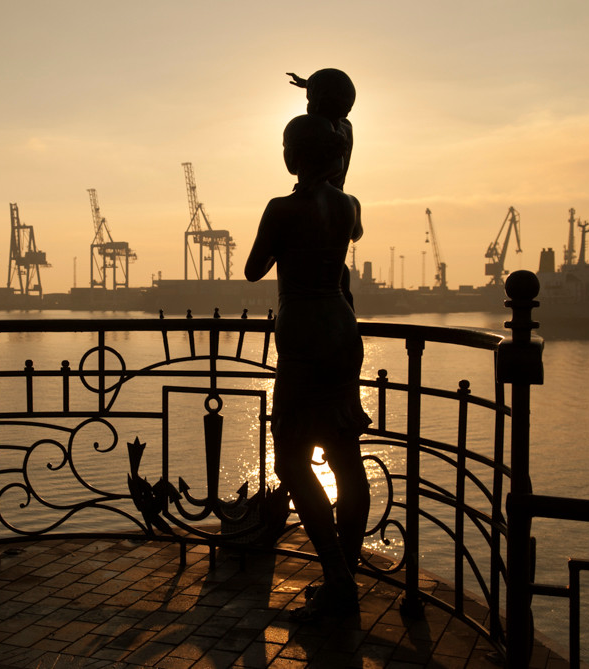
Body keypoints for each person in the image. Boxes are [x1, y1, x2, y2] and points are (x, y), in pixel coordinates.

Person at [245, 113, 371, 620]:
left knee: (293, 458)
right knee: (345, 453)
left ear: (292, 154)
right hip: (343, 331)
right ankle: (347, 574)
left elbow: (255, 268)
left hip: (302, 336)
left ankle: (339, 579)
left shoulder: (281, 208)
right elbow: (349, 221)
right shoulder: (349, 206)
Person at [287, 68, 358, 310]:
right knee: (337, 271)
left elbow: (253, 270)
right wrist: (312, 84)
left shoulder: (312, 129)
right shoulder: (345, 128)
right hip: (337, 202)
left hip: (299, 307)